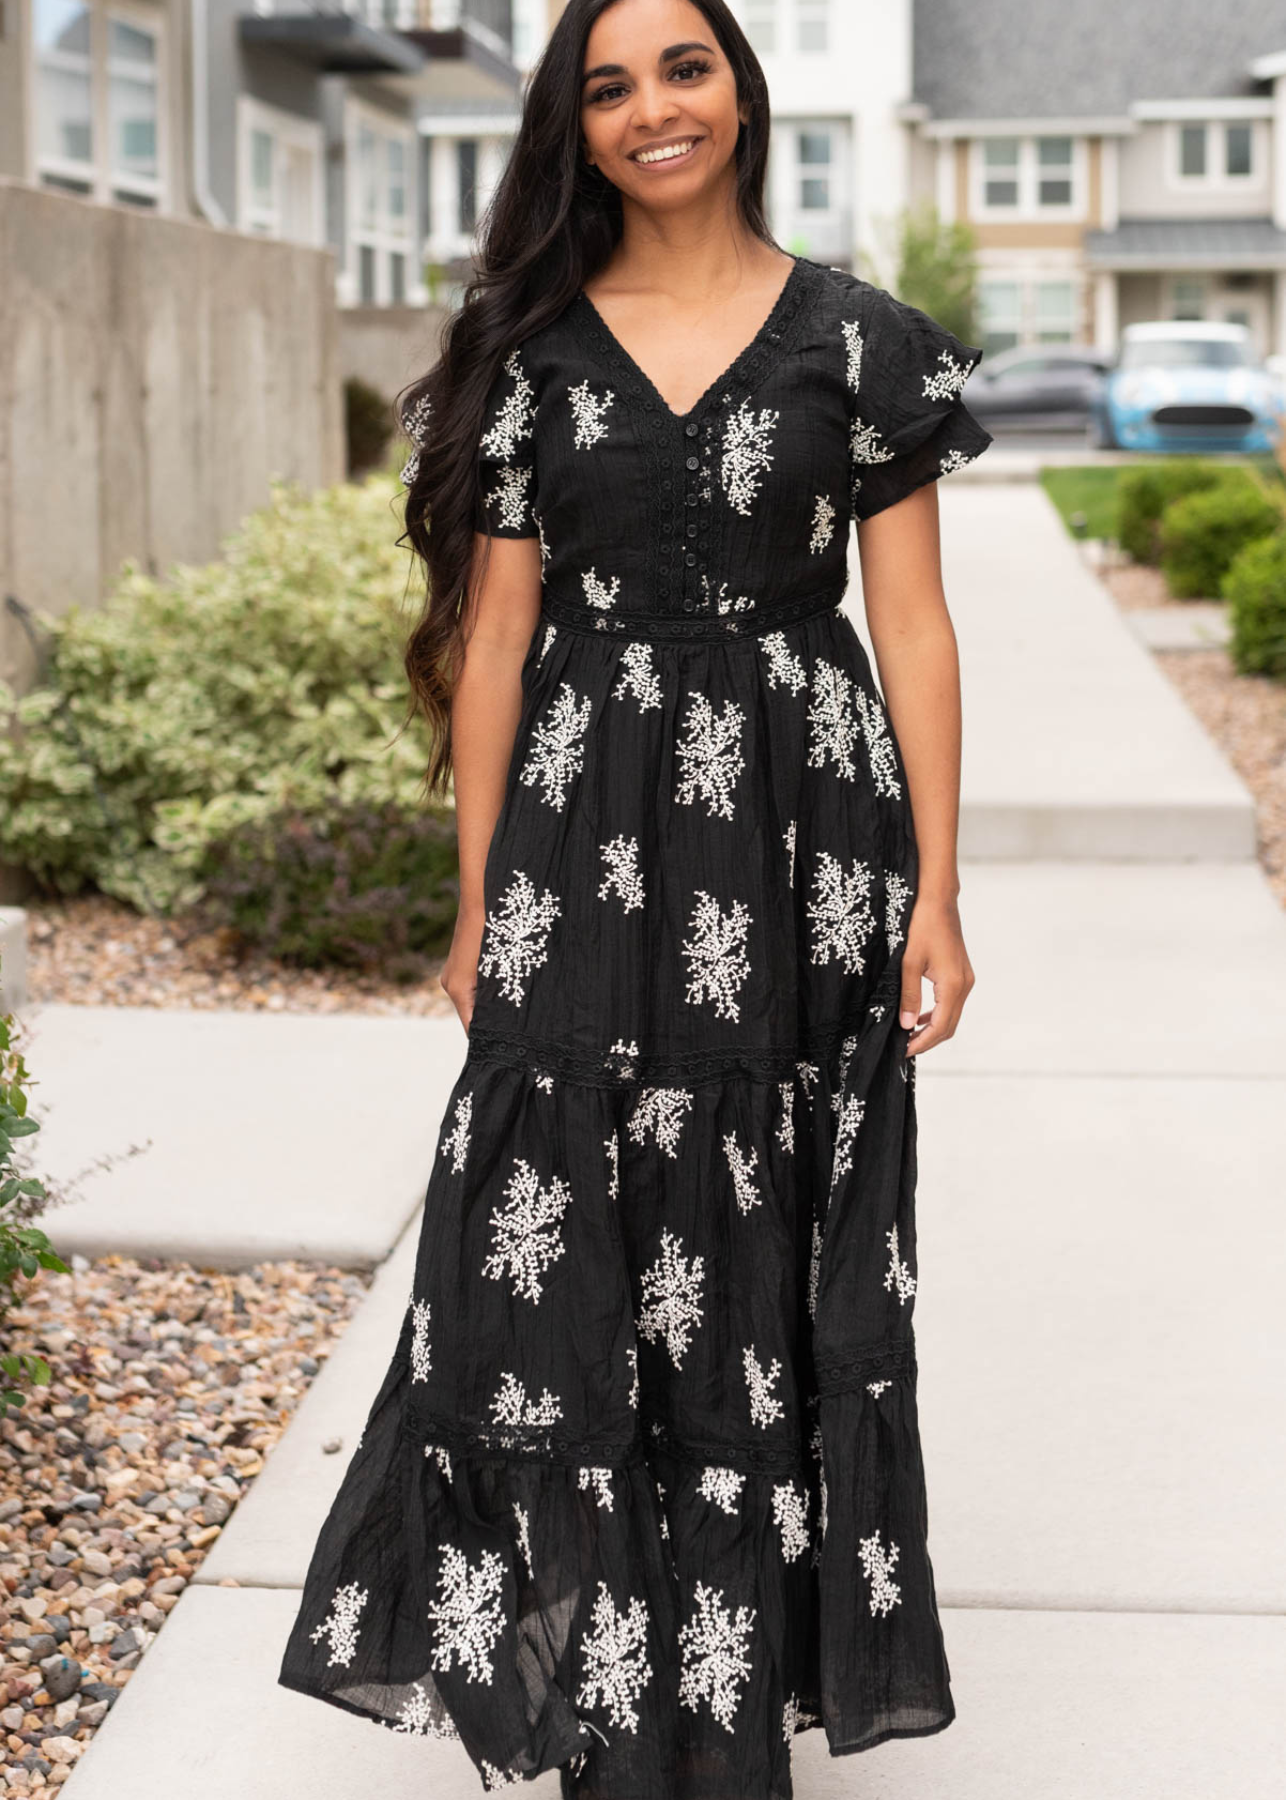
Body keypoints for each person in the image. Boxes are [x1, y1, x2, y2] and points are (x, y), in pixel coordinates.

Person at [278, 1, 993, 1794]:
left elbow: (907, 625)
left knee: (762, 1228)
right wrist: (470, 905)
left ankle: (728, 1688)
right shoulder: (527, 357)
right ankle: (606, 1675)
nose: (652, 109)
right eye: (608, 86)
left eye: (683, 69)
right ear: (573, 127)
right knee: (545, 1228)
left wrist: (939, 893)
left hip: (799, 843)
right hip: (582, 836)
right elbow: (496, 641)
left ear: (741, 90)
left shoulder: (862, 342)